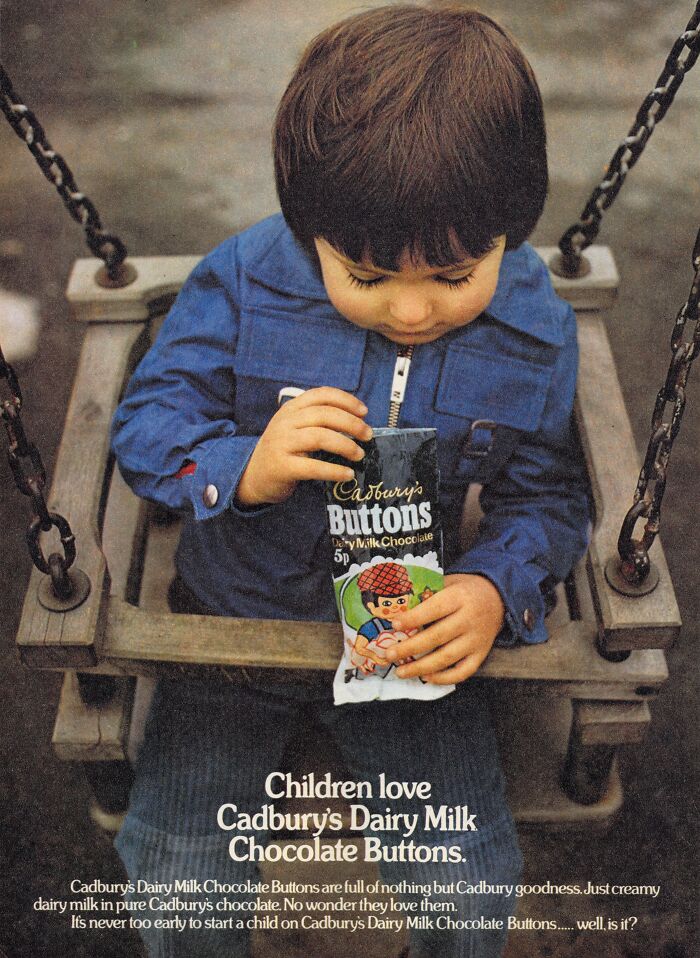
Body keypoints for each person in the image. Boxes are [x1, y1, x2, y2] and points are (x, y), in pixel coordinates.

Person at [110, 5, 591, 956]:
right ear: (311, 230)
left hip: (406, 641)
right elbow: (148, 425)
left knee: (468, 888)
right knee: (176, 871)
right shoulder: (247, 279)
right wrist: (247, 466)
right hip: (231, 628)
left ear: (510, 229)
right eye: (365, 277)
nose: (411, 311)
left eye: (455, 275)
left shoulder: (534, 330)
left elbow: (549, 498)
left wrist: (495, 587)